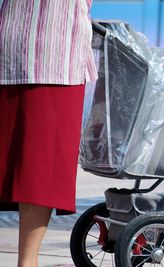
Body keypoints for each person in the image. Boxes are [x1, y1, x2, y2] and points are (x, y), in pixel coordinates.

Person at [0, 1, 97, 266]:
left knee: (36, 171)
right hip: (33, 46)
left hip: (51, 52)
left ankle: (27, 262)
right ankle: (27, 262)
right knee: (33, 170)